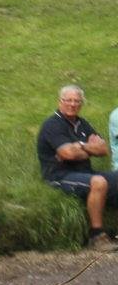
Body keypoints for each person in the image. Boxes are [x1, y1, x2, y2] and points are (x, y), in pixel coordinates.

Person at [37, 84, 116, 250]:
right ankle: (97, 237)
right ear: (60, 101)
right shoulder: (53, 124)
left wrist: (80, 146)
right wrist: (88, 147)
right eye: (69, 100)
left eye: (77, 101)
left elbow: (103, 150)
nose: (73, 104)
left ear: (81, 104)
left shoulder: (83, 124)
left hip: (84, 173)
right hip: (59, 176)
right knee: (99, 182)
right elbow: (67, 154)